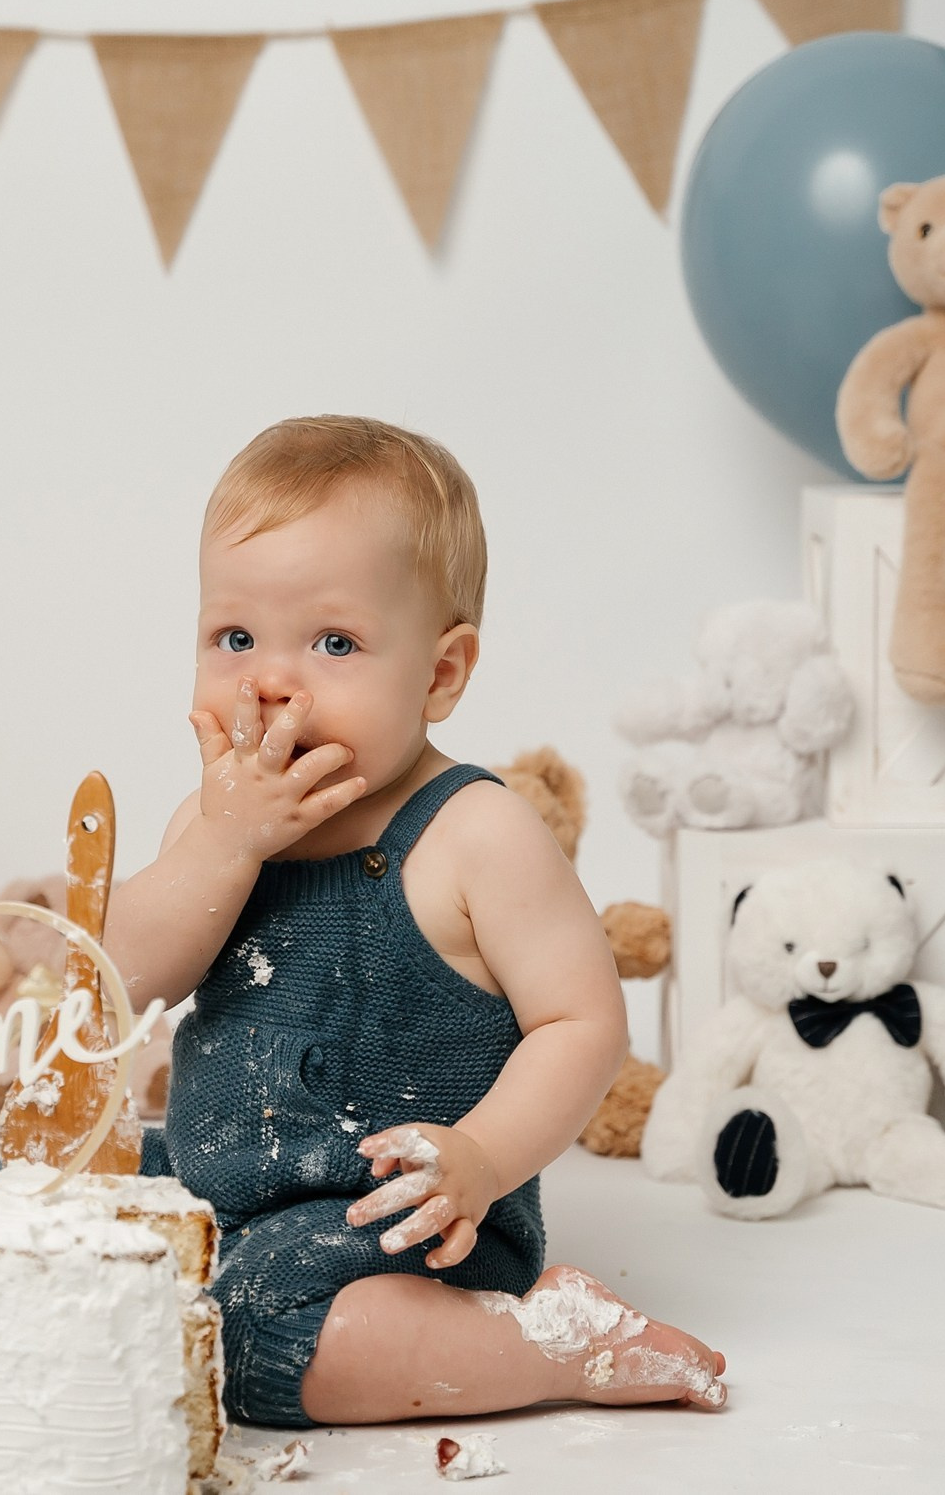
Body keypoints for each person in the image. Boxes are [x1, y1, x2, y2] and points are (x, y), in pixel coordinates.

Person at [105, 414, 728, 1429]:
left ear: (439, 673)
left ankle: (543, 1346)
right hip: (216, 1184)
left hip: (396, 1220)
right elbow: (119, 981)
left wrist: (479, 1159)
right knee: (36, 1197)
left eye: (334, 642)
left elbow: (582, 1022)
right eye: (234, 637)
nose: (269, 679)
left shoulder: (476, 833)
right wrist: (220, 848)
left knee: (257, 1336)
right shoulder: (212, 823)